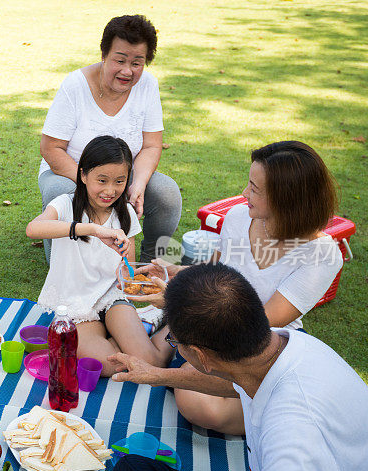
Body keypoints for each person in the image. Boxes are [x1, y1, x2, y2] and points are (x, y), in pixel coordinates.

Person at [111, 140, 344, 435]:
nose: (245, 193)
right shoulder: (237, 217)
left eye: (255, 189)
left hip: (259, 346)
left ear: (287, 199)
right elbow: (214, 272)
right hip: (210, 325)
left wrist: (176, 300)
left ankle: (280, 415)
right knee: (182, 368)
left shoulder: (321, 255)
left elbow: (264, 320)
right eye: (249, 183)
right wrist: (175, 273)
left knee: (200, 404)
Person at [109, 263, 368, 471]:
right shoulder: (278, 345)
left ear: (202, 357)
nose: (174, 346)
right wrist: (156, 375)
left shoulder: (294, 435)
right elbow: (234, 381)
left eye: (174, 340)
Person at [38, 14, 181, 263]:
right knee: (64, 193)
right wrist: (91, 183)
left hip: (123, 174)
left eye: (137, 63)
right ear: (104, 55)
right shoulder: (75, 85)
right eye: (120, 60)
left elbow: (151, 145)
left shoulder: (148, 85)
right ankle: (62, 265)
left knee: (166, 193)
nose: (127, 71)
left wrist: (134, 185)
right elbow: (51, 149)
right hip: (70, 171)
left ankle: (150, 262)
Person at [26, 136, 174, 376]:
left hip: (112, 296)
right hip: (77, 304)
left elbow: (127, 271)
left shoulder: (125, 212)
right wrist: (93, 230)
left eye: (119, 181)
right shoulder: (64, 205)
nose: (110, 190)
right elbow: (33, 229)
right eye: (102, 180)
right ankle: (138, 329)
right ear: (83, 175)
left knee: (151, 364)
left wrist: (129, 275)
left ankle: (174, 329)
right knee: (106, 366)